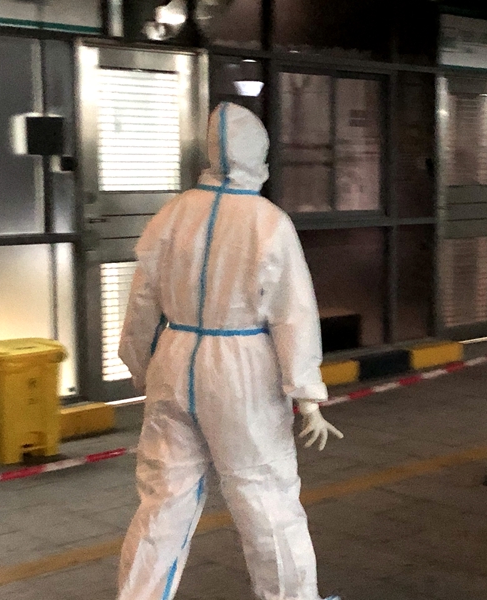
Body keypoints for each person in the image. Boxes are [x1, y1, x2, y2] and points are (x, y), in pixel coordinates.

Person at [117, 102, 343, 600]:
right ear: (258, 154)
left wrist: (141, 366)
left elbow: (142, 302)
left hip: (175, 356)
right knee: (265, 496)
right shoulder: (268, 222)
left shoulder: (171, 215)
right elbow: (292, 312)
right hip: (242, 367)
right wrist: (307, 393)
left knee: (162, 500)